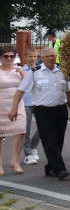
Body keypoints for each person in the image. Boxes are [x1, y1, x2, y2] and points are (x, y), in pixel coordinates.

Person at [11, 47, 70, 179]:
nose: (51, 58)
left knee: (59, 140)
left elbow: (68, 92)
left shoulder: (62, 71)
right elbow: (20, 91)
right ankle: (60, 169)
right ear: (42, 58)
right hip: (43, 111)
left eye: (53, 56)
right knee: (49, 140)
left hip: (61, 109)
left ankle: (50, 168)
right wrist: (14, 108)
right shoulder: (35, 73)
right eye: (47, 56)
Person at [0, 44, 27, 174]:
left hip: (18, 104)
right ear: (1, 57)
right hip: (1, 105)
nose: (9, 59)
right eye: (6, 56)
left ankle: (15, 161)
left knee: (21, 131)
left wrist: (23, 73)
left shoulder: (19, 70)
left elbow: (29, 85)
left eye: (12, 56)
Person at [20, 47, 42, 166]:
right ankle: (28, 154)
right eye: (30, 56)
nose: (33, 59)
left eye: (35, 56)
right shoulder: (21, 70)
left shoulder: (40, 70)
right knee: (26, 129)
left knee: (43, 126)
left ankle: (33, 146)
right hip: (26, 103)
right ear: (25, 57)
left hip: (38, 102)